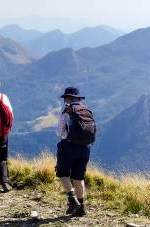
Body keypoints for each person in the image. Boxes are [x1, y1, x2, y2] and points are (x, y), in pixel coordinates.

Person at [55, 86, 95, 217]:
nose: (65, 100)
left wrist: (63, 136)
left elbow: (60, 131)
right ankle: (81, 208)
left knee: (63, 174)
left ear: (68, 98)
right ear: (78, 98)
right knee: (78, 177)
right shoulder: (86, 110)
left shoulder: (67, 110)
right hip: (85, 148)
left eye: (66, 97)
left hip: (68, 146)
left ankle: (73, 201)